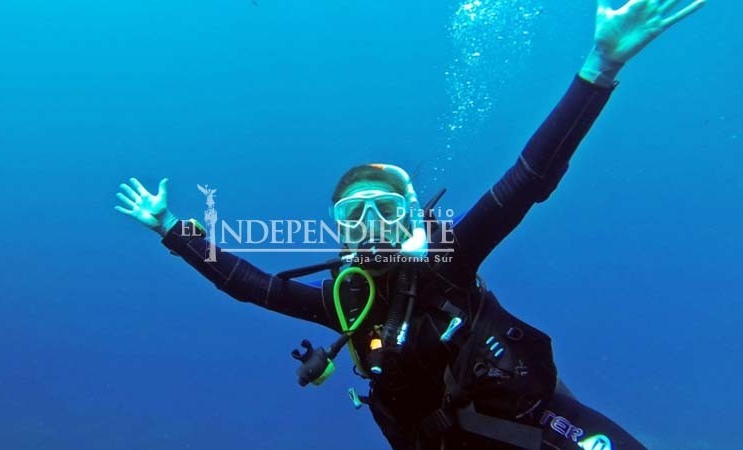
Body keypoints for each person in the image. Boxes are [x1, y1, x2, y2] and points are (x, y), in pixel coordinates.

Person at [115, 1, 705, 448]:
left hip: (535, 429)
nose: (371, 224)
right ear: (338, 232)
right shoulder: (346, 303)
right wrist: (172, 228)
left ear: (412, 217)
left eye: (387, 210)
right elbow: (248, 284)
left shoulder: (448, 260)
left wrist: (598, 68)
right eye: (354, 215)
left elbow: (527, 179)